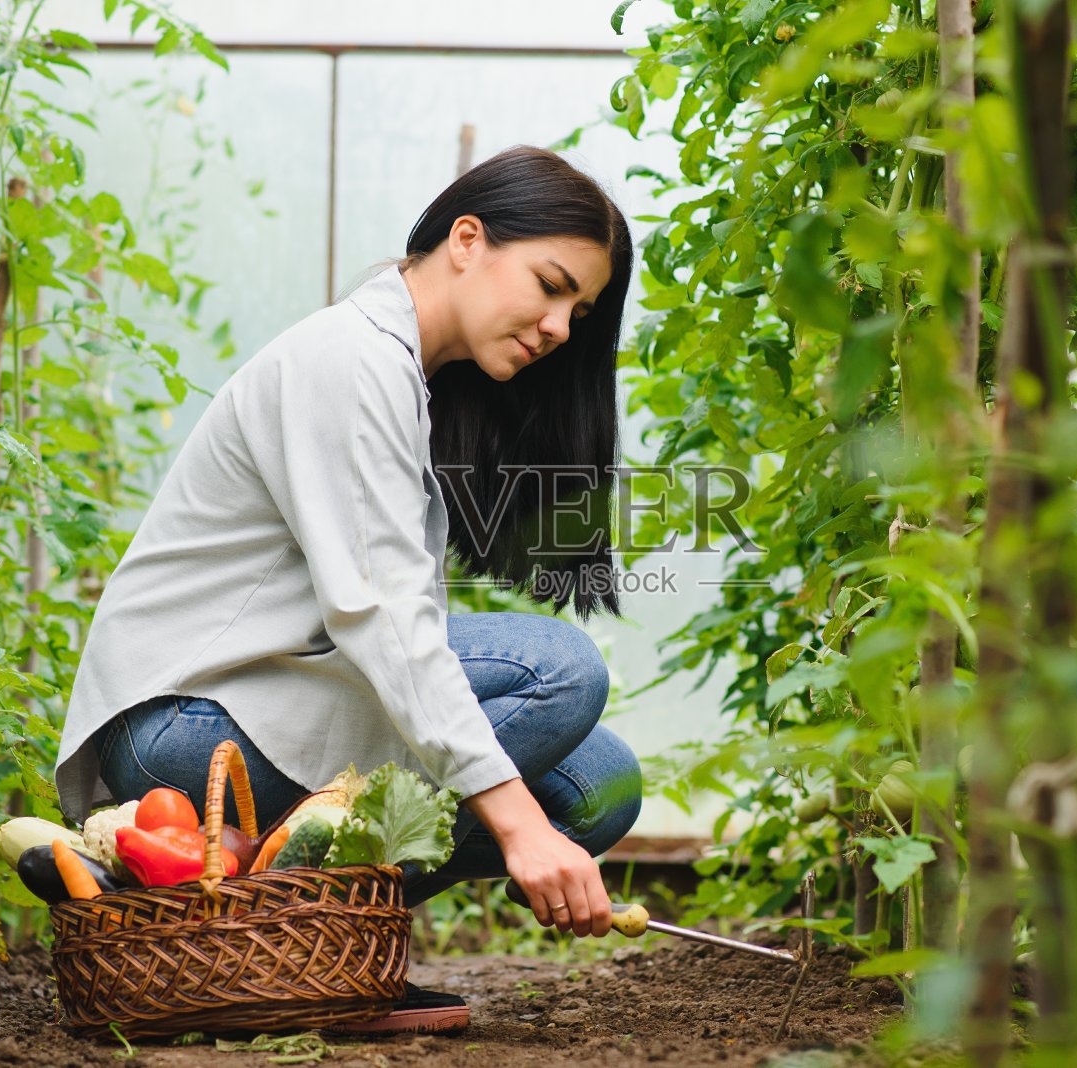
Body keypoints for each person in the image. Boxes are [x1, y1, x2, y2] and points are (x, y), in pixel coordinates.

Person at [52, 145, 642, 1034]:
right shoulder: (350, 359)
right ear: (467, 239)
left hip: (263, 705)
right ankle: (294, 946)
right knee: (559, 670)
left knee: (600, 781)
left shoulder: (411, 375)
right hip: (182, 728)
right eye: (551, 285)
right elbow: (380, 622)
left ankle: (321, 945)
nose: (561, 326)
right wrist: (517, 830)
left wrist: (527, 815)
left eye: (580, 310)